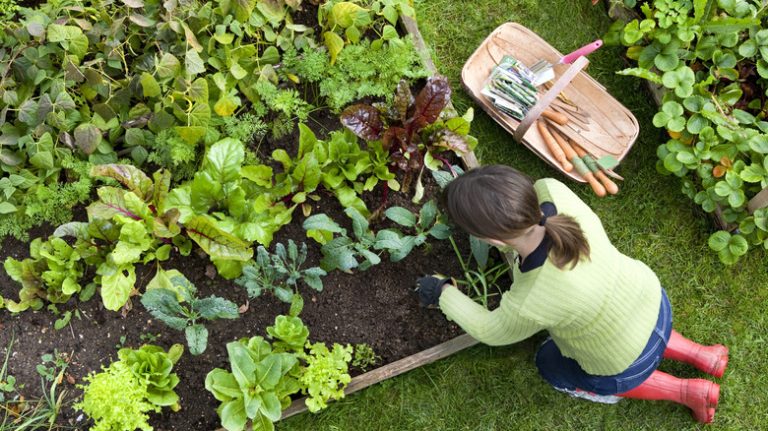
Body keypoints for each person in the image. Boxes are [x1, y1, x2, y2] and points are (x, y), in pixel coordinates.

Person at [416, 165, 728, 424]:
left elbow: (491, 330)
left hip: (621, 361)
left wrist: (442, 292)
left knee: (549, 363)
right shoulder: (553, 191)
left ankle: (687, 391)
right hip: (651, 300)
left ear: (492, 239)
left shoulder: (532, 298)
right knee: (633, 327)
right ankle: (704, 355)